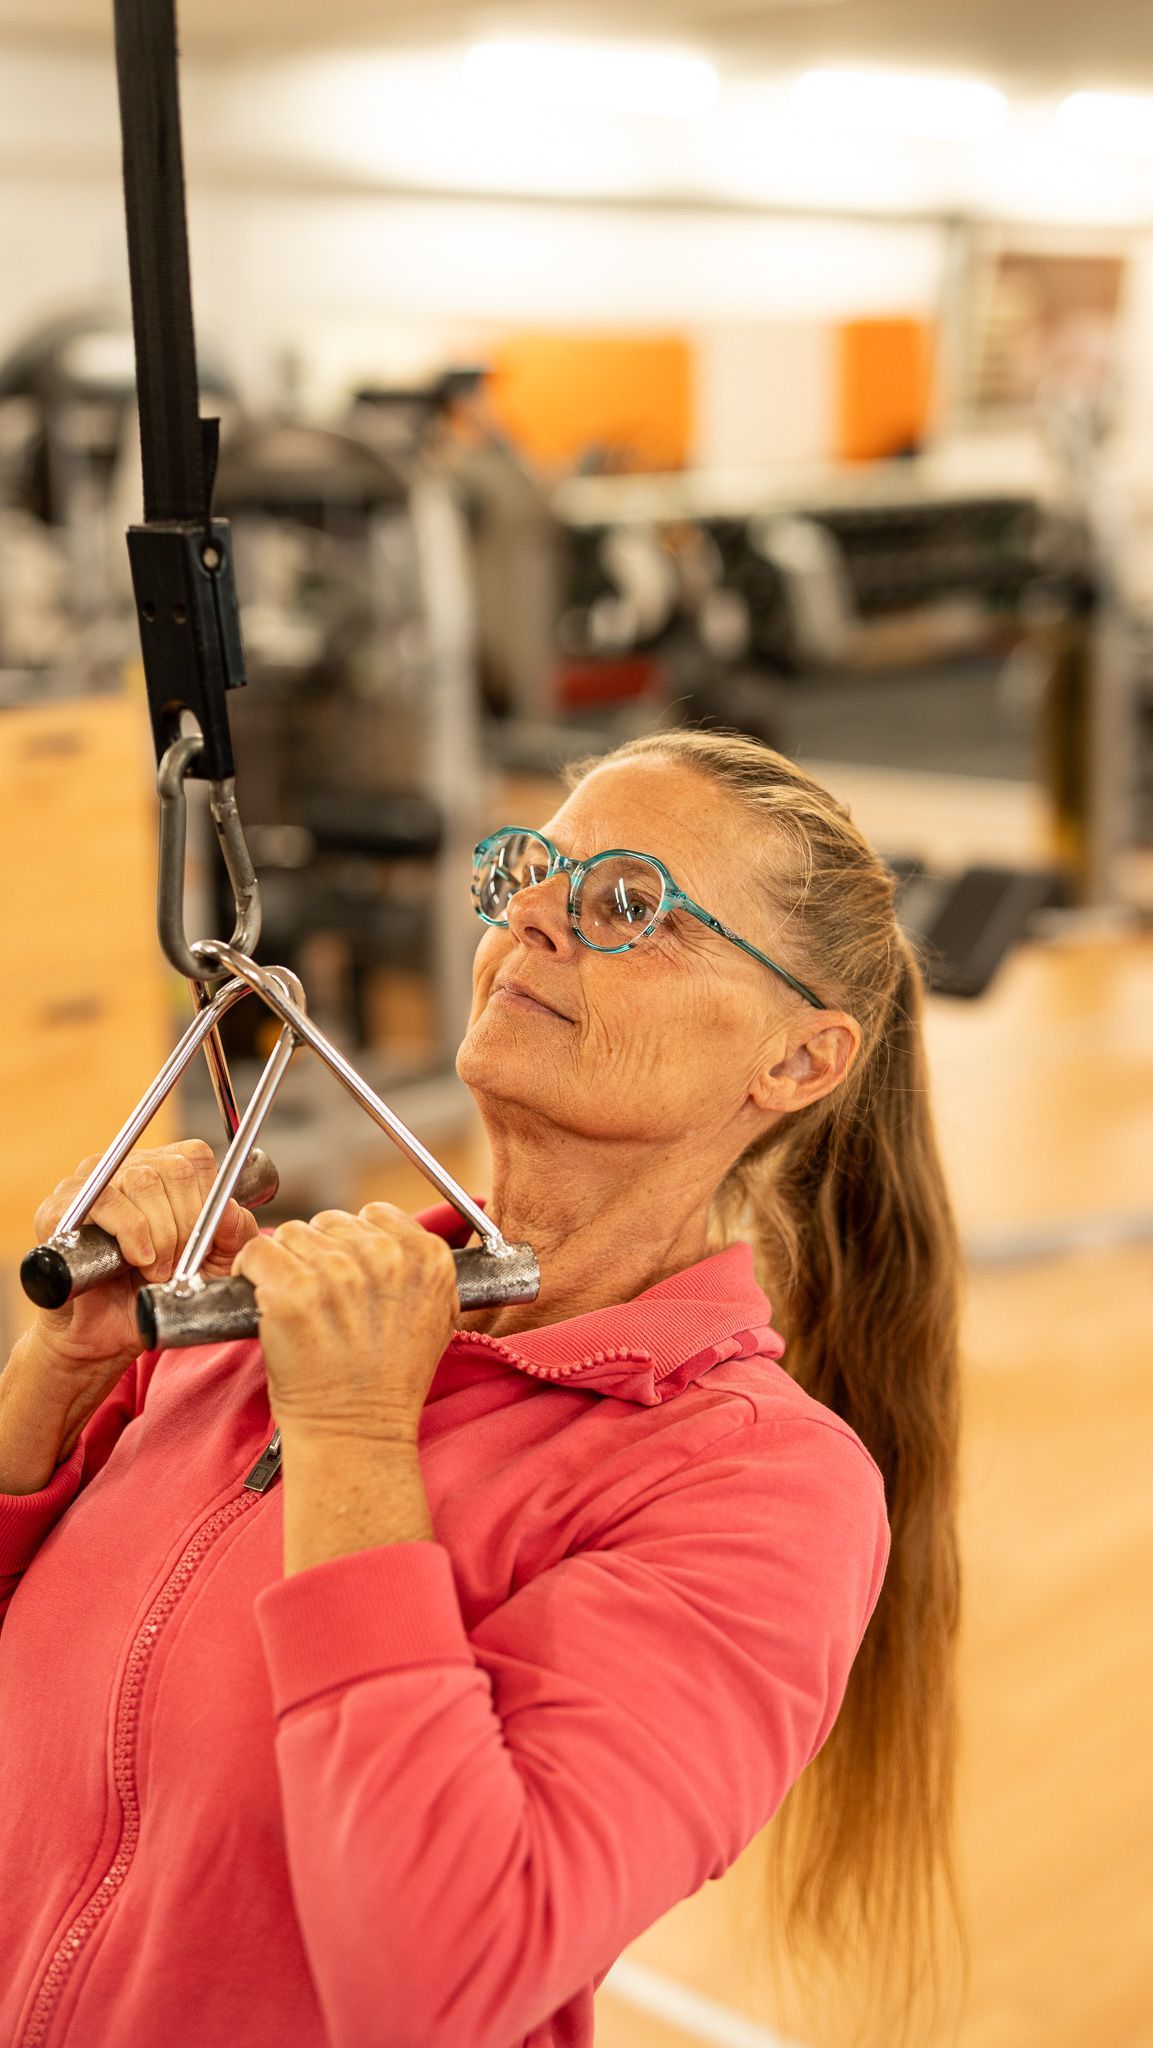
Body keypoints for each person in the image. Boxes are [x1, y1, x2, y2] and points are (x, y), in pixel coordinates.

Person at [0, 729, 964, 2048]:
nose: (535, 918)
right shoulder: (269, 1308)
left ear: (797, 1061)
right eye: (527, 873)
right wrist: (58, 1375)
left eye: (627, 904)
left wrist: (352, 1436)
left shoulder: (759, 1489)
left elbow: (438, 1981)